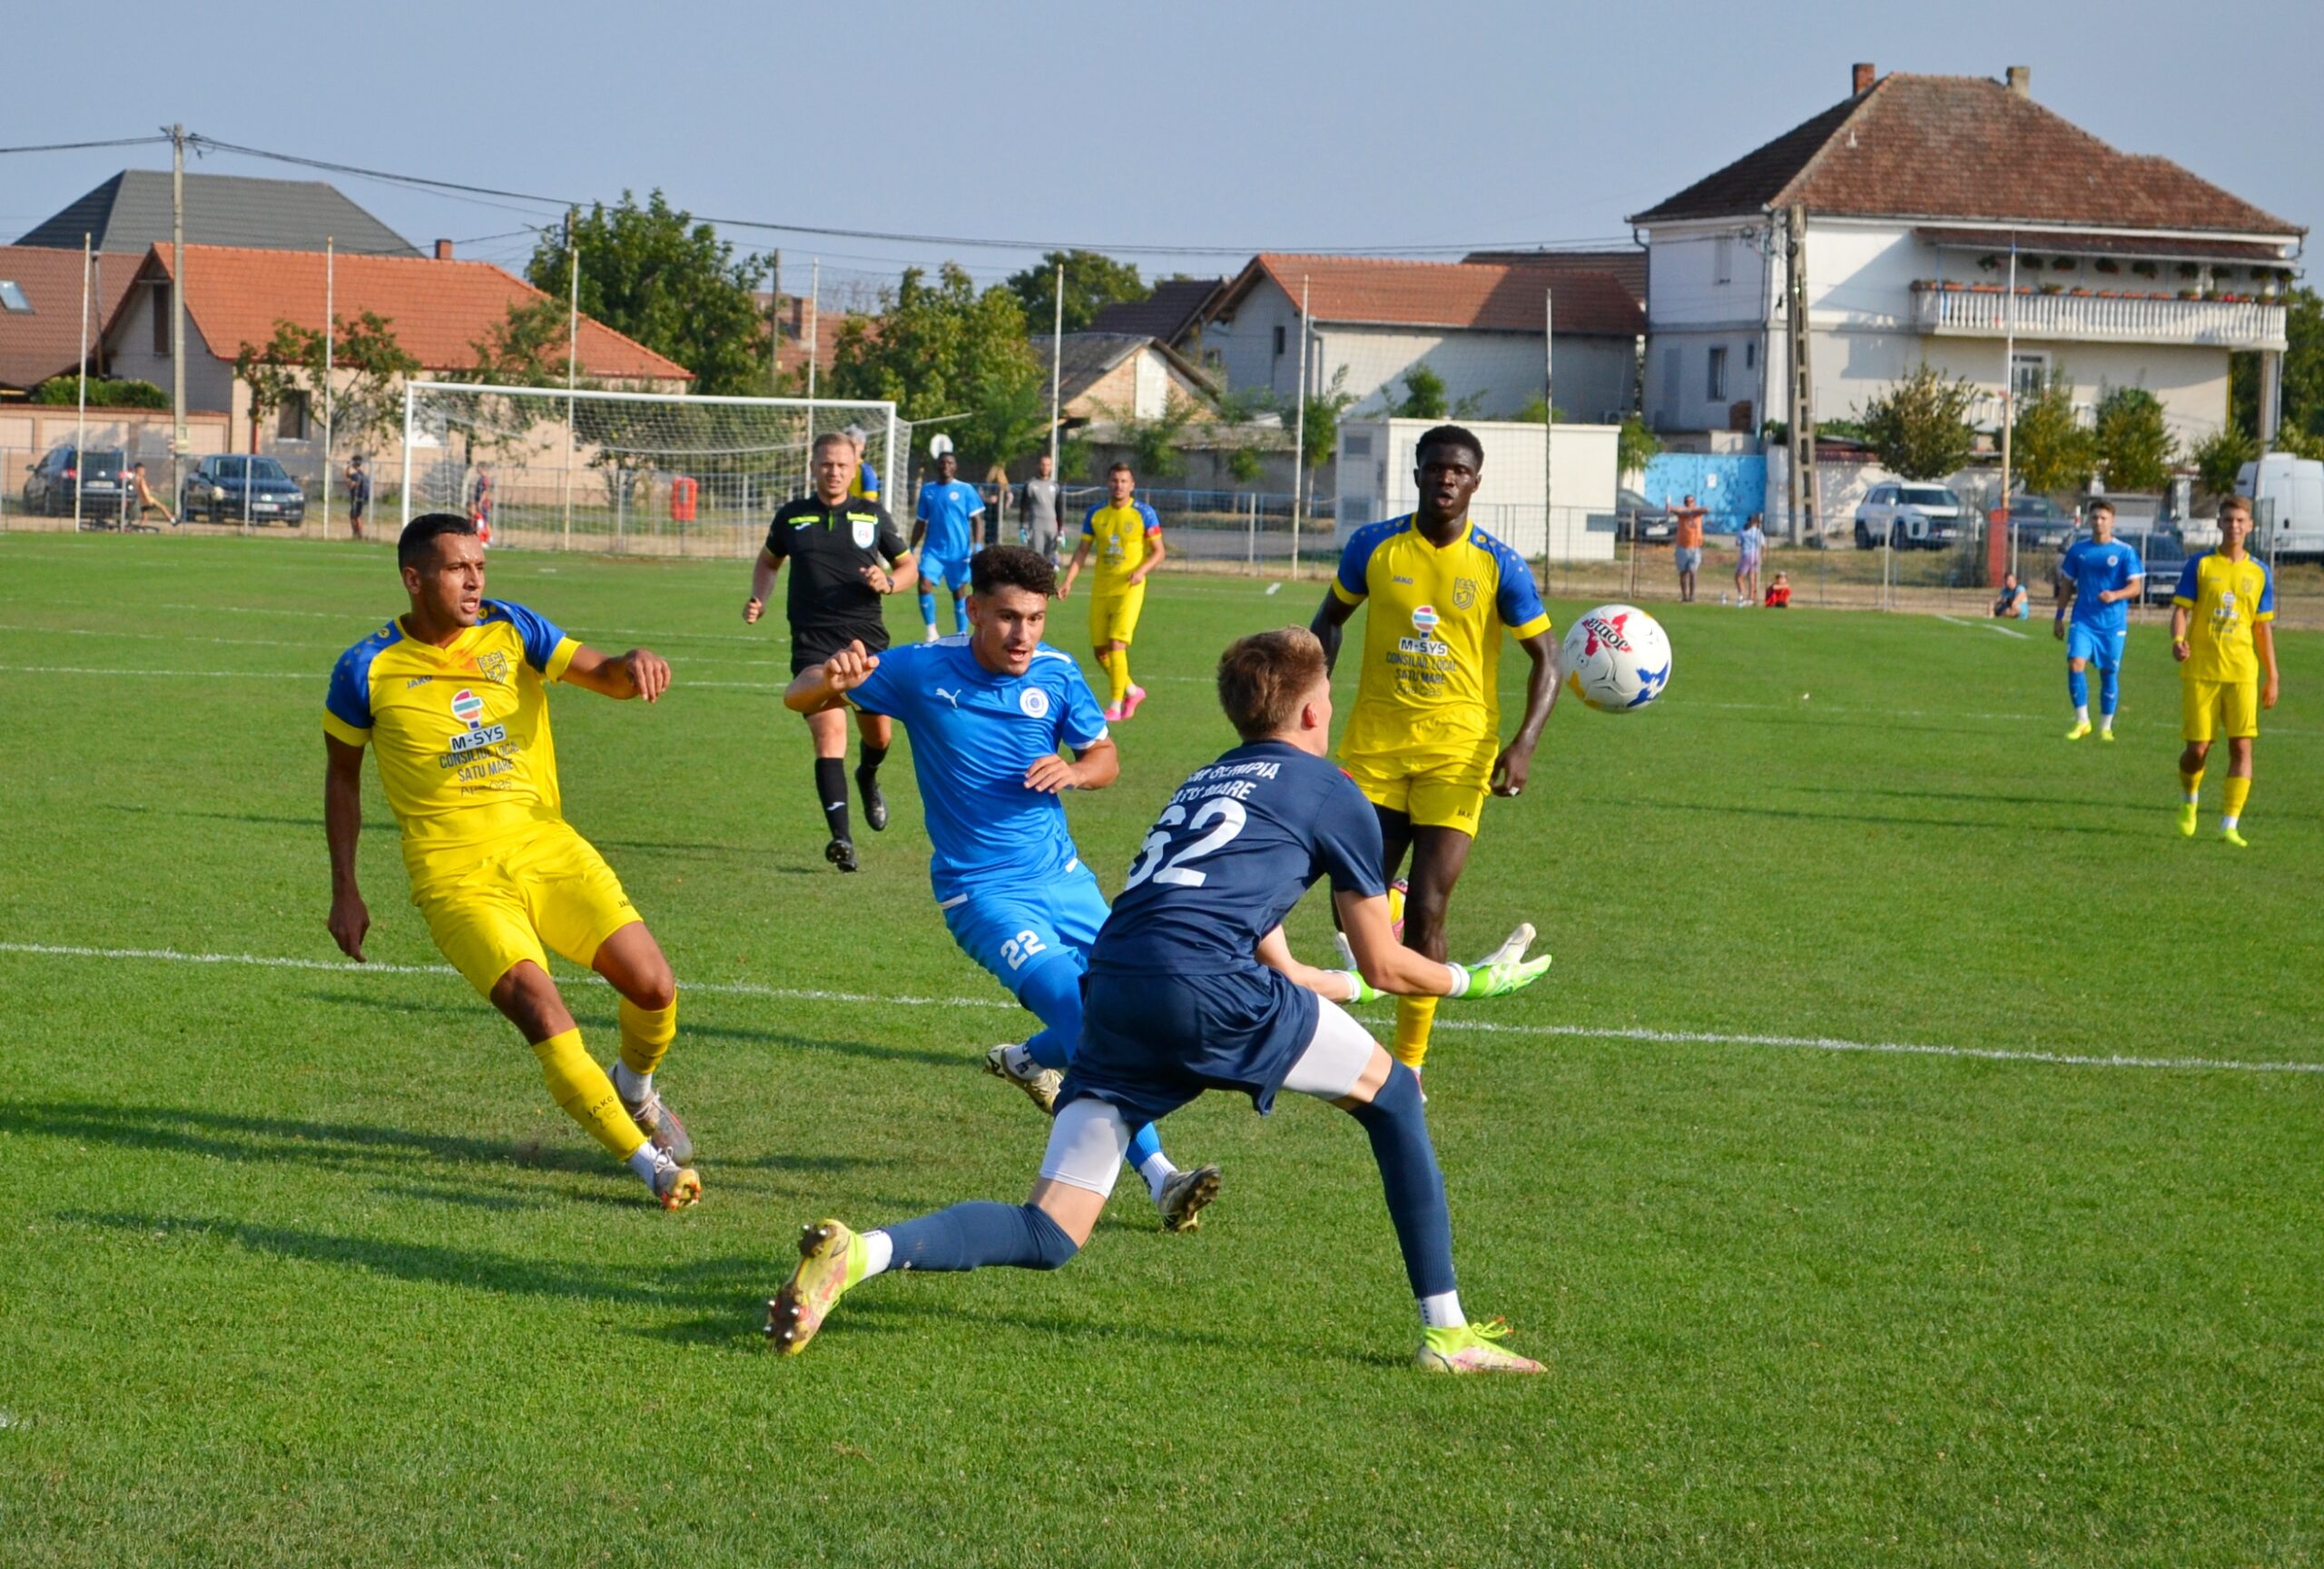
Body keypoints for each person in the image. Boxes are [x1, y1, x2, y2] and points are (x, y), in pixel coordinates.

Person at [765, 627, 1557, 1373]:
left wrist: (1326, 982)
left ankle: (862, 1252)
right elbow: (1387, 963)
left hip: (1114, 987)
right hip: (1203, 986)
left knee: (1050, 1231)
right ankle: (1447, 1332)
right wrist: (1471, 979)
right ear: (1317, 710)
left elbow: (1256, 931)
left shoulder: (1208, 777)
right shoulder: (1329, 788)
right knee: (1393, 1099)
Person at [782, 545, 1213, 1230]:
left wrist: (1076, 773)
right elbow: (800, 694)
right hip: (983, 894)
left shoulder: (1058, 672)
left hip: (1066, 882)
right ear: (974, 609)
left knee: (1135, 1001)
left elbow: (1105, 757)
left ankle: (1023, 1060)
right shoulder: (923, 670)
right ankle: (1162, 1177)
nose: (1023, 635)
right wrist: (828, 677)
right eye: (1008, 617)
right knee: (1085, 1017)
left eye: (1036, 618)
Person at [322, 513, 699, 1209]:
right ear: (414, 578)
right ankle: (651, 1167)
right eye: (457, 568)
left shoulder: (511, 628)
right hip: (455, 877)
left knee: (654, 988)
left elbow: (605, 675)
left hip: (545, 847)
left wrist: (635, 660)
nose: (475, 581)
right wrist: (346, 888)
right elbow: (341, 777)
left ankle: (636, 1091)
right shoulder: (365, 668)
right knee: (542, 1008)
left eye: (480, 567)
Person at [1310, 424, 1559, 1083]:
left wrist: (1525, 742)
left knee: (1427, 911)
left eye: (1460, 471)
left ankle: (1410, 1065)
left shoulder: (1498, 564)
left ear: (1475, 483)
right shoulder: (1374, 546)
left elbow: (1547, 657)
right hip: (1374, 749)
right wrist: (1311, 697)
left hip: (1458, 754)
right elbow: (1329, 619)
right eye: (1437, 468)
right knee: (1346, 899)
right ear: (1417, 473)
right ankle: (1383, 905)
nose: (1447, 479)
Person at [746, 431, 919, 873]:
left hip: (867, 644)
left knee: (879, 738)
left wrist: (889, 582)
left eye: (843, 465)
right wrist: (760, 598)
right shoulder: (792, 517)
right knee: (829, 736)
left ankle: (868, 775)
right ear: (814, 466)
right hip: (813, 645)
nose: (835, 471)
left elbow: (907, 566)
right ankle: (841, 838)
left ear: (855, 466)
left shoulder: (871, 514)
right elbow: (769, 561)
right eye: (826, 464)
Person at [2171, 496, 2279, 846]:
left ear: (2250, 526)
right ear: (2219, 523)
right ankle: (2190, 801)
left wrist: (2272, 675)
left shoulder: (2260, 572)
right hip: (2201, 671)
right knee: (2197, 750)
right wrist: (2177, 639)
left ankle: (2229, 825)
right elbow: (2181, 610)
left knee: (2241, 747)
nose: (2234, 526)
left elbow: (2262, 628)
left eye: (2241, 520)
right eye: (2229, 520)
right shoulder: (2200, 565)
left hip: (2242, 673)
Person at [1059, 461, 1167, 721]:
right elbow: (1082, 551)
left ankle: (1116, 705)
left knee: (1117, 643)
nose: (1118, 485)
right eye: (1114, 480)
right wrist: (1068, 580)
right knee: (1100, 650)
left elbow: (1159, 551)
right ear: (1108, 483)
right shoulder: (1096, 513)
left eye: (1123, 481)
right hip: (1102, 588)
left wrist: (1141, 571)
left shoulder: (1144, 513)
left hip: (1129, 588)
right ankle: (1132, 690)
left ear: (1132, 485)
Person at [2053, 500, 2144, 741]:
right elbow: (2066, 586)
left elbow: (2135, 587)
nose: (2098, 522)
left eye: (2103, 518)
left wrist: (2115, 594)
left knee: (2108, 673)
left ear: (2112, 521)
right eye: (2094, 517)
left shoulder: (2124, 552)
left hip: (2113, 625)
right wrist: (2059, 616)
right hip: (2083, 620)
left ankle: (2106, 726)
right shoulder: (2078, 551)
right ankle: (2082, 722)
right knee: (2075, 663)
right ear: (2089, 520)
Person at [911, 452, 984, 641]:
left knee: (959, 591)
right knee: (924, 585)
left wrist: (977, 545)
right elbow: (920, 522)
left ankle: (961, 633)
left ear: (955, 467)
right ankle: (931, 631)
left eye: (950, 462)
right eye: (942, 462)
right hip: (933, 551)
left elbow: (977, 520)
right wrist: (910, 548)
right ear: (938, 466)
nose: (946, 465)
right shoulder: (928, 491)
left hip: (959, 553)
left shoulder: (965, 490)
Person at [1018, 451, 1064, 563]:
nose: (1045, 467)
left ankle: (1048, 581)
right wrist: (1022, 527)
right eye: (1043, 464)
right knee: (1036, 559)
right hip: (1036, 527)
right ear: (1038, 466)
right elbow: (1024, 508)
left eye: (1048, 465)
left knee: (1050, 561)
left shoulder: (1055, 486)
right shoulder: (1030, 485)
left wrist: (1061, 529)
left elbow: (1059, 509)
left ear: (1051, 467)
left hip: (1051, 529)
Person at [1670, 494, 1706, 603]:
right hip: (1682, 547)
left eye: (1691, 501)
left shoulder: (1698, 514)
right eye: (1687, 501)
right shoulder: (1681, 514)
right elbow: (1673, 509)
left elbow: (1706, 509)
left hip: (1695, 547)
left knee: (1693, 572)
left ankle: (1692, 596)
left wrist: (1692, 512)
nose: (1689, 503)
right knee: (1683, 573)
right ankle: (1684, 596)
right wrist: (1686, 512)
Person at [1734, 512, 1767, 607]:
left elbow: (1738, 543)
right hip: (1756, 555)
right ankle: (1751, 597)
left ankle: (1742, 596)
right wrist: (1762, 556)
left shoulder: (1743, 531)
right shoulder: (1758, 532)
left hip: (1747, 554)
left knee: (1739, 577)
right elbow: (1763, 545)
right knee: (1752, 577)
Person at [842, 425, 880, 504]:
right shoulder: (836, 467)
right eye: (847, 445)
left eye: (854, 445)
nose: (850, 448)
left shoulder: (865, 470)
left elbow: (870, 502)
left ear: (862, 446)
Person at [130, 461, 175, 528]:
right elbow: (142, 490)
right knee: (163, 507)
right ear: (138, 470)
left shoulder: (134, 479)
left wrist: (148, 487)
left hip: (141, 501)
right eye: (142, 470)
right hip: (148, 499)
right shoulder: (141, 479)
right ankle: (173, 521)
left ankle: (140, 528)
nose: (144, 472)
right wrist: (147, 499)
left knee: (145, 518)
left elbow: (140, 488)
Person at [344, 454, 371, 541]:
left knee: (354, 516)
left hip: (356, 498)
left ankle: (357, 534)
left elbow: (351, 485)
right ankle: (358, 533)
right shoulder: (361, 474)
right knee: (357, 515)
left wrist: (345, 475)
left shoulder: (355, 475)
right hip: (362, 498)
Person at [468, 465, 496, 548]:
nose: (477, 469)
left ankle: (490, 538)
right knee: (482, 521)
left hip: (483, 504)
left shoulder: (484, 479)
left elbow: (486, 491)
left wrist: (480, 501)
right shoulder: (481, 478)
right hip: (481, 503)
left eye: (478, 468)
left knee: (484, 521)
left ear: (483, 469)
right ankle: (484, 538)